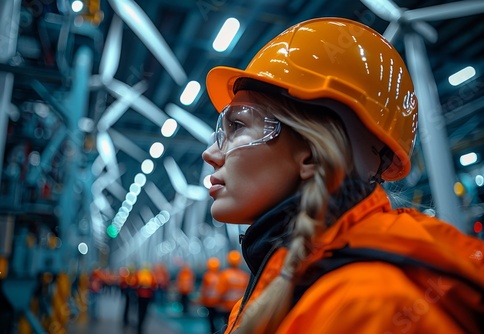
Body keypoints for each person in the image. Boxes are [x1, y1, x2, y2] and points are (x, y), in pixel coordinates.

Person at [201, 17, 484, 334]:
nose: (210, 153)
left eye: (236, 126)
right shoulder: (286, 281)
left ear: (310, 152)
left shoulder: (367, 307)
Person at [215, 251, 249, 326]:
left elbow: (220, 291)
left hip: (226, 307)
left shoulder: (224, 275)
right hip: (239, 307)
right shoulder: (244, 276)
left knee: (226, 326)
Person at [198, 257, 222, 333]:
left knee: (211, 320)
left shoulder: (207, 276)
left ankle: (213, 332)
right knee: (220, 320)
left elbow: (204, 290)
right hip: (219, 302)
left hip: (209, 302)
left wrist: (202, 301)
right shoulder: (221, 276)